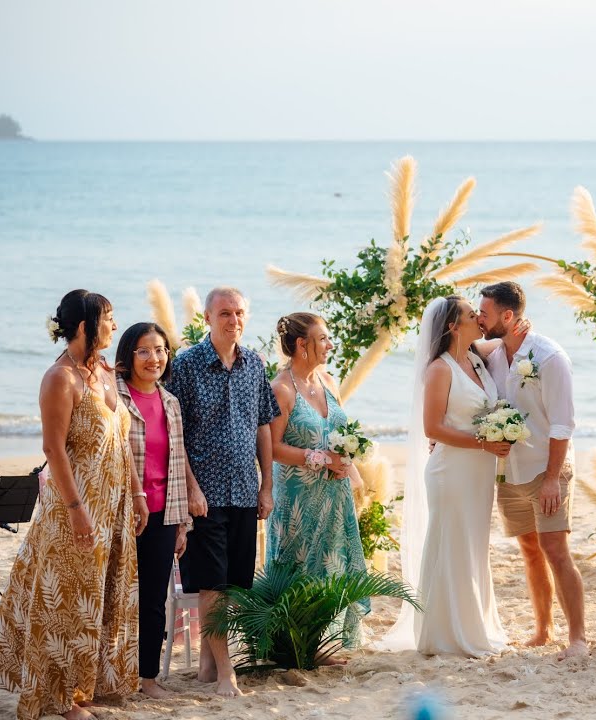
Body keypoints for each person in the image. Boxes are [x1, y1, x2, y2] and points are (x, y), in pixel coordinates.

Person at [0, 289, 147, 720]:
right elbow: (53, 448)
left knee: (101, 595)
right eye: (108, 318)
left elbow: (122, 441)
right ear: (86, 325)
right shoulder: (60, 379)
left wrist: (138, 493)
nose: (114, 325)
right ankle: (62, 697)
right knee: (67, 599)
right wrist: (76, 509)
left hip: (114, 504)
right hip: (75, 506)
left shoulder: (106, 372)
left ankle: (88, 685)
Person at [164, 287, 280, 697]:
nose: (234, 320)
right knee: (212, 584)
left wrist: (266, 485)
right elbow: (174, 433)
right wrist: (191, 488)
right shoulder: (186, 365)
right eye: (225, 313)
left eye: (240, 313)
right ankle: (226, 672)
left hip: (245, 491)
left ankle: (208, 667)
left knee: (234, 583)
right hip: (205, 495)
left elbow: (263, 425)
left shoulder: (255, 364)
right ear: (208, 319)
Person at [381, 295, 512, 657]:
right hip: (452, 471)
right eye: (472, 315)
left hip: (478, 474)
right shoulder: (440, 369)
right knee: (451, 545)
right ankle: (445, 633)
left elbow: (501, 338)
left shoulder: (475, 358)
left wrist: (517, 328)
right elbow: (433, 428)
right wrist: (485, 444)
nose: (479, 318)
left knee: (472, 546)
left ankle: (475, 624)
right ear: (453, 326)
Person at [477, 281, 589, 659]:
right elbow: (460, 346)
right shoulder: (493, 354)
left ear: (508, 316)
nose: (479, 318)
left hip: (548, 467)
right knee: (529, 550)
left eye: (485, 313)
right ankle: (543, 629)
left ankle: (578, 639)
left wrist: (554, 478)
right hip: (510, 470)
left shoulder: (549, 357)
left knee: (555, 549)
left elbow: (563, 424)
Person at [265, 311, 370, 659]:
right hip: (298, 497)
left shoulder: (328, 381)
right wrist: (322, 459)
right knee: (298, 563)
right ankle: (295, 645)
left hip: (334, 494)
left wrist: (346, 460)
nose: (329, 344)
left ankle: (327, 640)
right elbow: (273, 448)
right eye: (323, 338)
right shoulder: (280, 389)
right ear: (301, 344)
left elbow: (340, 432)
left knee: (334, 561)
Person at [114, 322, 209, 697]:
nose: (154, 358)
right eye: (144, 350)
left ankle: (147, 679)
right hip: (121, 513)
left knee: (153, 599)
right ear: (128, 355)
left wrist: (182, 522)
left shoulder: (170, 402)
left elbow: (177, 459)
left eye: (160, 350)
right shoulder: (115, 398)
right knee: (115, 598)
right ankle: (108, 674)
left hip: (163, 514)